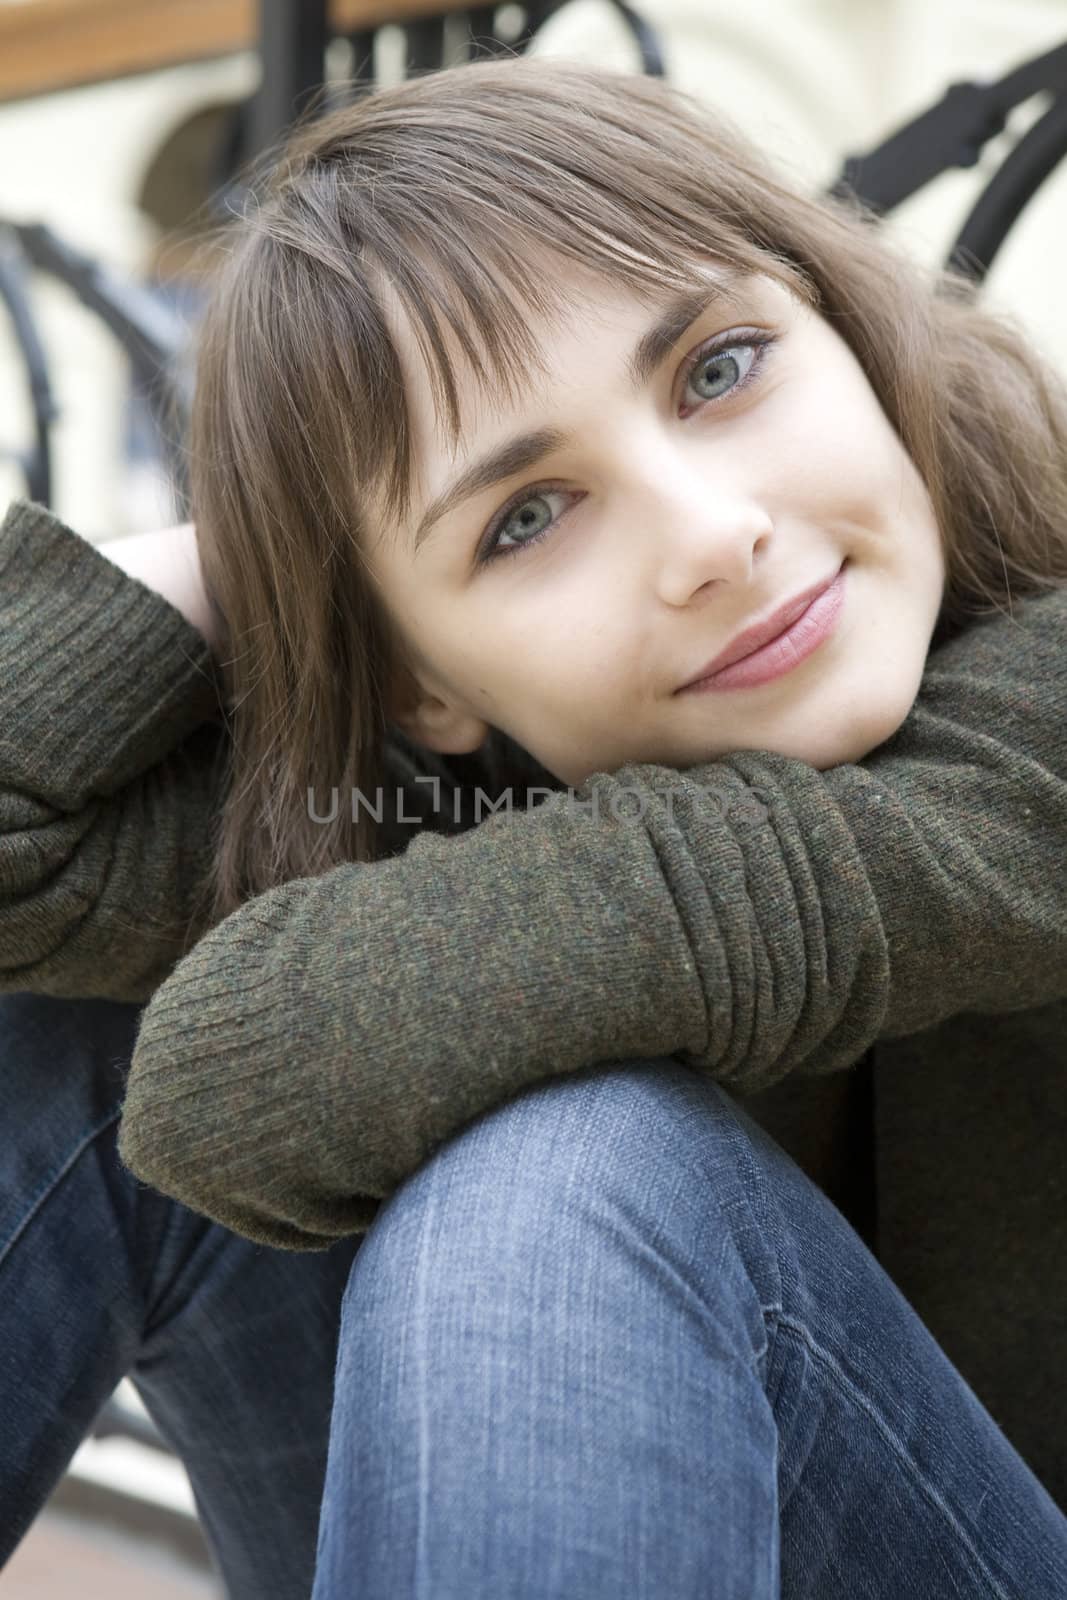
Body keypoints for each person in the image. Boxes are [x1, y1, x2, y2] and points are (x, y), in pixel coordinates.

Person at [3, 52, 1066, 1598]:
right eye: (524, 517)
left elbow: (248, 1076)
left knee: (568, 1178)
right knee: (56, 1029)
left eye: (721, 368)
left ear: (850, 323)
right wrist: (290, 530)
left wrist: (413, 518)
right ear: (424, 680)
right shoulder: (479, 775)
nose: (713, 538)